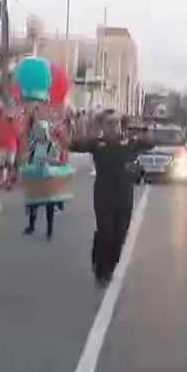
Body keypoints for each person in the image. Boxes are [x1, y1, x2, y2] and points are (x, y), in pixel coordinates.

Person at [70, 111, 152, 287]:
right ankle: (101, 270)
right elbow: (74, 145)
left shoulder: (128, 142)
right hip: (103, 195)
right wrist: (75, 133)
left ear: (120, 126)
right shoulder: (97, 144)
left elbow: (150, 143)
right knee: (106, 232)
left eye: (115, 124)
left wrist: (142, 129)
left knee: (119, 237)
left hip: (124, 195)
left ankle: (110, 264)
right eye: (109, 124)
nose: (112, 127)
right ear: (104, 126)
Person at [23, 119, 66, 239]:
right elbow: (29, 159)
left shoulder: (51, 146)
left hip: (47, 177)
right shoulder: (33, 145)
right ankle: (31, 226)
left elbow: (58, 162)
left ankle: (49, 229)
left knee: (49, 205)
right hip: (35, 176)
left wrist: (47, 160)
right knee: (33, 203)